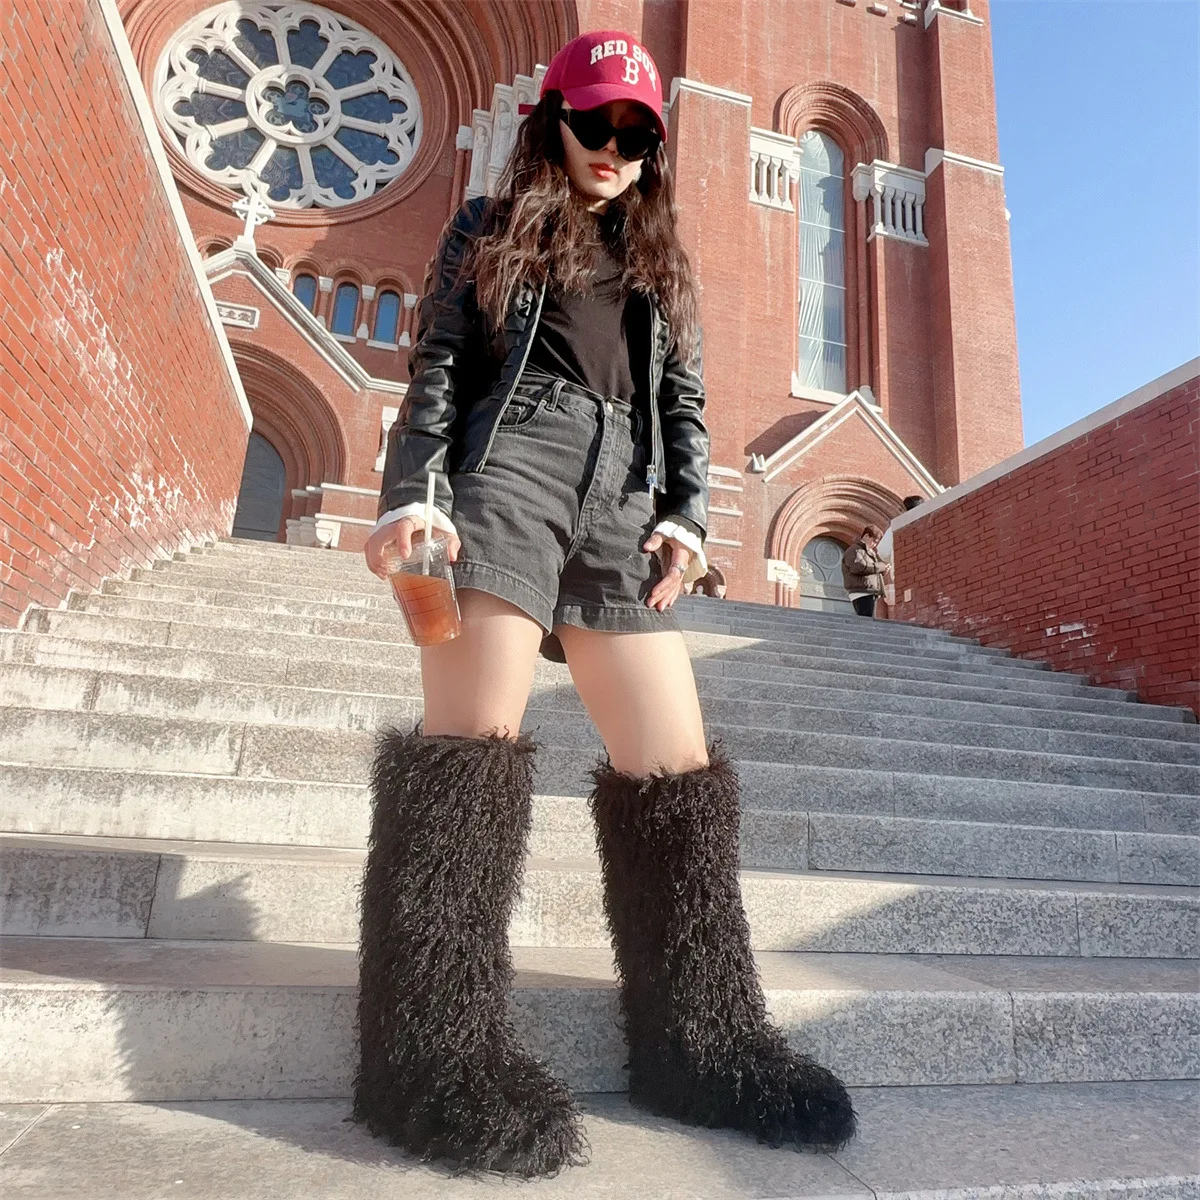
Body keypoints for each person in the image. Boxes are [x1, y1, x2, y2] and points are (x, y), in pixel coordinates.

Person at [353, 29, 855, 1178]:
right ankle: (428, 1056)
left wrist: (688, 513)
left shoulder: (657, 260)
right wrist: (416, 492)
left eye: (638, 132)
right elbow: (441, 364)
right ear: (555, 121)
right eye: (597, 122)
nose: (616, 147)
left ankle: (699, 1041)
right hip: (514, 465)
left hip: (625, 496)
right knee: (470, 748)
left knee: (674, 769)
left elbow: (685, 402)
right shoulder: (489, 226)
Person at [842, 524, 888, 616]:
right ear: (866, 536)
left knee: (867, 619)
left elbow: (869, 570)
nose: (874, 545)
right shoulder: (855, 550)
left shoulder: (866, 552)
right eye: (874, 541)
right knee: (865, 619)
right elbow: (858, 567)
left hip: (868, 591)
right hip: (862, 591)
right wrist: (880, 567)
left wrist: (883, 571)